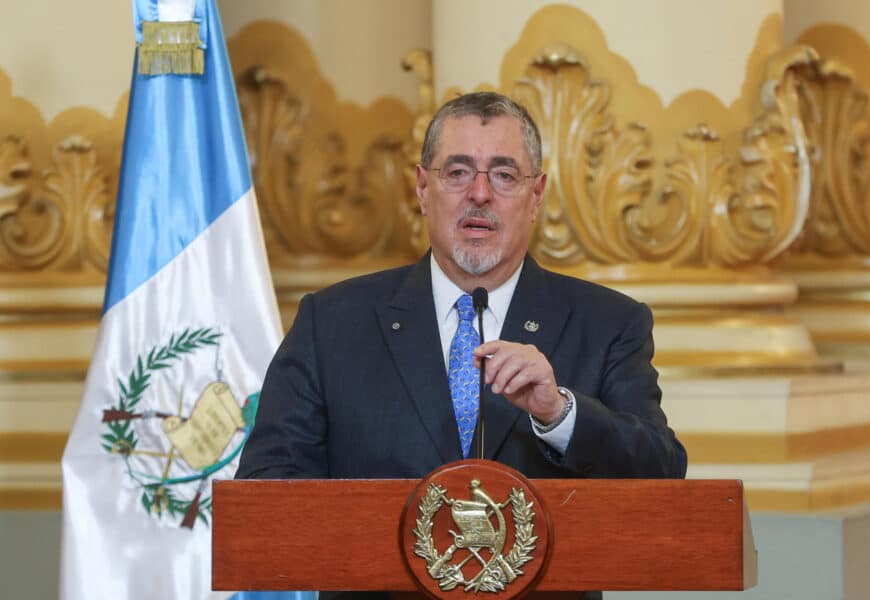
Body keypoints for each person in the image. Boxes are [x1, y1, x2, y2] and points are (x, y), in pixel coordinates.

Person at [236, 91, 686, 481]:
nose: (480, 193)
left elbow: (661, 470)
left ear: (536, 196)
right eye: (457, 172)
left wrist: (560, 414)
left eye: (505, 175)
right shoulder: (332, 323)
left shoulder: (608, 323)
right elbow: (267, 483)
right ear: (421, 188)